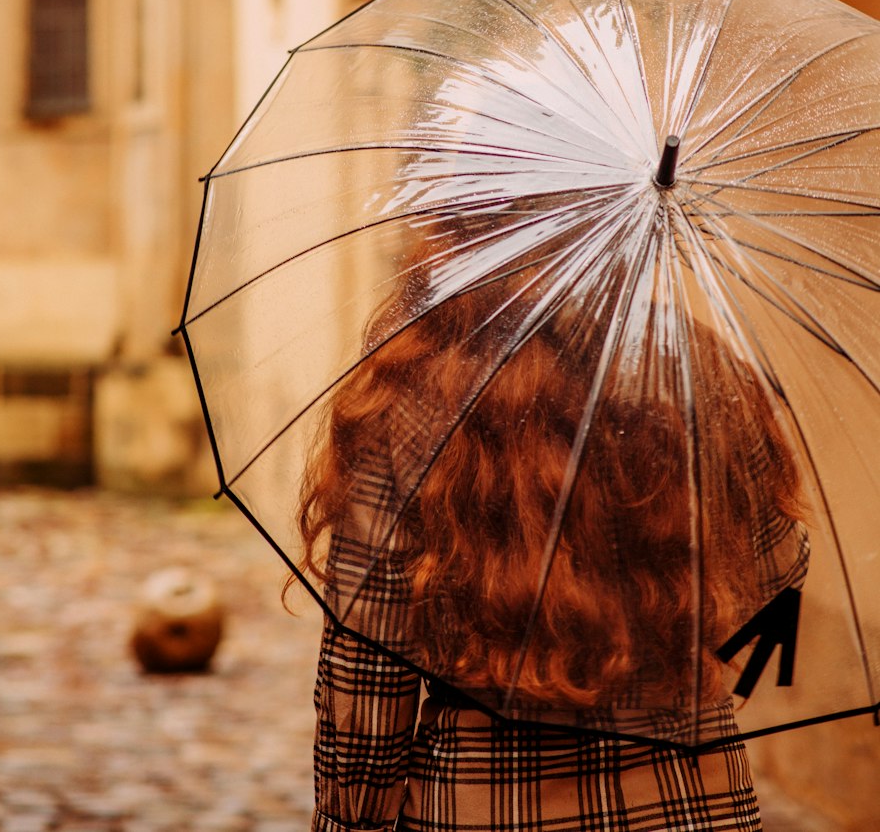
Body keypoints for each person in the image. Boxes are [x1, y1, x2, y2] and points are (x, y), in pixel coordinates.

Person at [293, 257, 809, 832]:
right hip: (694, 797)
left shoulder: (409, 399)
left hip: (488, 804)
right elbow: (774, 572)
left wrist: (350, 821)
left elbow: (368, 667)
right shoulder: (697, 367)